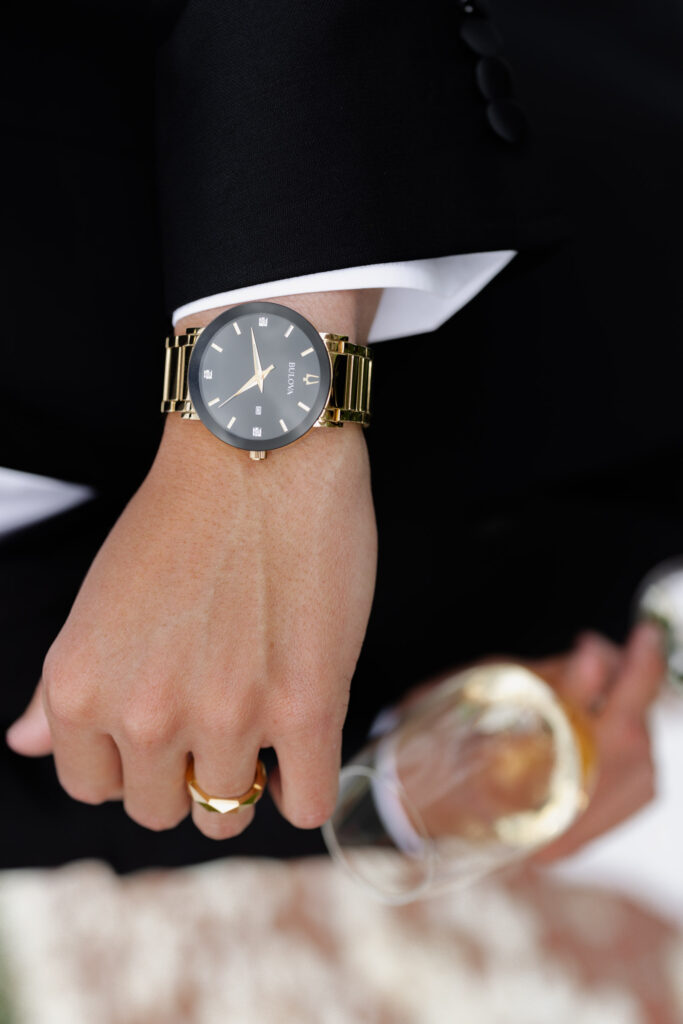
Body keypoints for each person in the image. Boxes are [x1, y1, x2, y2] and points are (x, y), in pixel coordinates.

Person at [1, 0, 680, 871]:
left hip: (586, 166)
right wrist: (402, 794)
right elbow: (55, 792)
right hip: (558, 588)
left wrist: (251, 448)